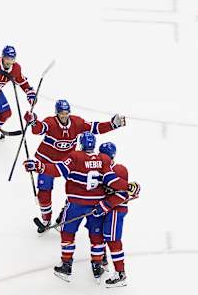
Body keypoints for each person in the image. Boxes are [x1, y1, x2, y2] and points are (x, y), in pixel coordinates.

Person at [23, 132, 140, 282]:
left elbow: (57, 170)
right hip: (96, 206)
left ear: (81, 144)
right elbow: (111, 180)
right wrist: (128, 186)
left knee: (67, 231)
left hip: (76, 204)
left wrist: (39, 166)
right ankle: (98, 264)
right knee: (96, 236)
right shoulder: (103, 159)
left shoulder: (75, 156)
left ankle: (66, 264)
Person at [23, 99, 126, 229]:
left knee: (78, 189)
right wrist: (33, 121)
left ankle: (63, 217)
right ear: (56, 113)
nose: (64, 115)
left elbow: (94, 128)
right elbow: (39, 129)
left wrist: (112, 125)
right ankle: (46, 220)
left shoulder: (77, 122)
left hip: (68, 162)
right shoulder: (51, 122)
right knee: (44, 192)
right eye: (61, 113)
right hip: (47, 160)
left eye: (66, 112)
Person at [92, 142, 137, 287]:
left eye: (105, 154)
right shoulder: (99, 169)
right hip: (105, 209)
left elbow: (124, 193)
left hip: (116, 210)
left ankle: (120, 273)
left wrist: (104, 205)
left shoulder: (119, 169)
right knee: (102, 236)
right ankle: (103, 260)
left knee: (112, 239)